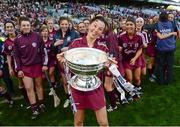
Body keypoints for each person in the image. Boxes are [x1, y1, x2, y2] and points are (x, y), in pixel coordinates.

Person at [57, 16, 109, 126]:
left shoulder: (103, 48)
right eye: (95, 26)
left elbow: (105, 68)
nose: (96, 30)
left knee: (103, 123)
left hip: (95, 87)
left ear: (102, 32)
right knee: (78, 121)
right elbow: (68, 67)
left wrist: (110, 66)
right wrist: (63, 61)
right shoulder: (75, 44)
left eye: (100, 29)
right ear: (89, 25)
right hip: (77, 87)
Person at [13, 17, 48, 119]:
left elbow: (43, 51)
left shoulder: (37, 36)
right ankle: (34, 108)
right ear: (20, 26)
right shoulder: (17, 40)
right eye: (24, 25)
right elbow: (16, 56)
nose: (26, 27)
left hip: (37, 65)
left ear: (30, 26)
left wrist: (44, 64)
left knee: (38, 85)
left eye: (27, 25)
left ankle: (41, 103)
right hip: (25, 68)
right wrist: (18, 69)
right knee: (28, 88)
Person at [53, 17, 79, 108]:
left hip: (72, 61)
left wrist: (68, 48)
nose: (64, 26)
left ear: (69, 24)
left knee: (73, 80)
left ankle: (76, 98)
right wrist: (54, 45)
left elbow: (79, 46)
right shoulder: (55, 34)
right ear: (59, 24)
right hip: (61, 62)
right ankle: (68, 98)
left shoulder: (74, 33)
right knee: (65, 81)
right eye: (62, 24)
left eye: (66, 24)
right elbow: (52, 50)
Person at [3, 21, 30, 108]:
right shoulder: (6, 42)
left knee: (29, 81)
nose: (9, 28)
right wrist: (10, 68)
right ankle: (27, 100)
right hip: (16, 65)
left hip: (26, 62)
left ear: (14, 27)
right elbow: (8, 55)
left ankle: (32, 97)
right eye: (7, 27)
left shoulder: (20, 37)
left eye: (11, 26)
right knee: (21, 82)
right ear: (5, 29)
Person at [118, 17, 143, 92]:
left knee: (137, 78)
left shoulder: (139, 36)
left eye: (131, 24)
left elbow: (140, 49)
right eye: (127, 24)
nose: (129, 26)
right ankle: (131, 91)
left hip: (136, 59)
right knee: (129, 78)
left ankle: (138, 89)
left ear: (135, 26)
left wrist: (135, 58)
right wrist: (118, 49)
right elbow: (119, 48)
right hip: (126, 60)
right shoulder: (121, 36)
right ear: (125, 26)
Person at [154, 12, 178, 85]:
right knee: (169, 65)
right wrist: (173, 38)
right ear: (167, 17)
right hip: (170, 47)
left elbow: (159, 36)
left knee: (160, 65)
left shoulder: (157, 24)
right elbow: (176, 33)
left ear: (160, 17)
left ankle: (160, 81)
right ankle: (168, 81)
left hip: (161, 48)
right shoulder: (172, 23)